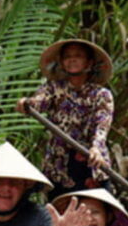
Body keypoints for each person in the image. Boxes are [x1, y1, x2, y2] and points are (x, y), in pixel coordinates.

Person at [16, 39, 114, 198]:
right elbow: (39, 103)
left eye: (78, 56)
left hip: (90, 161)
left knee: (95, 209)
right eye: (67, 56)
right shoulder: (54, 88)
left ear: (89, 62)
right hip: (59, 163)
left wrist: (96, 148)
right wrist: (27, 103)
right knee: (59, 210)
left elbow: (102, 124)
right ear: (61, 62)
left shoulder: (101, 94)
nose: (72, 59)